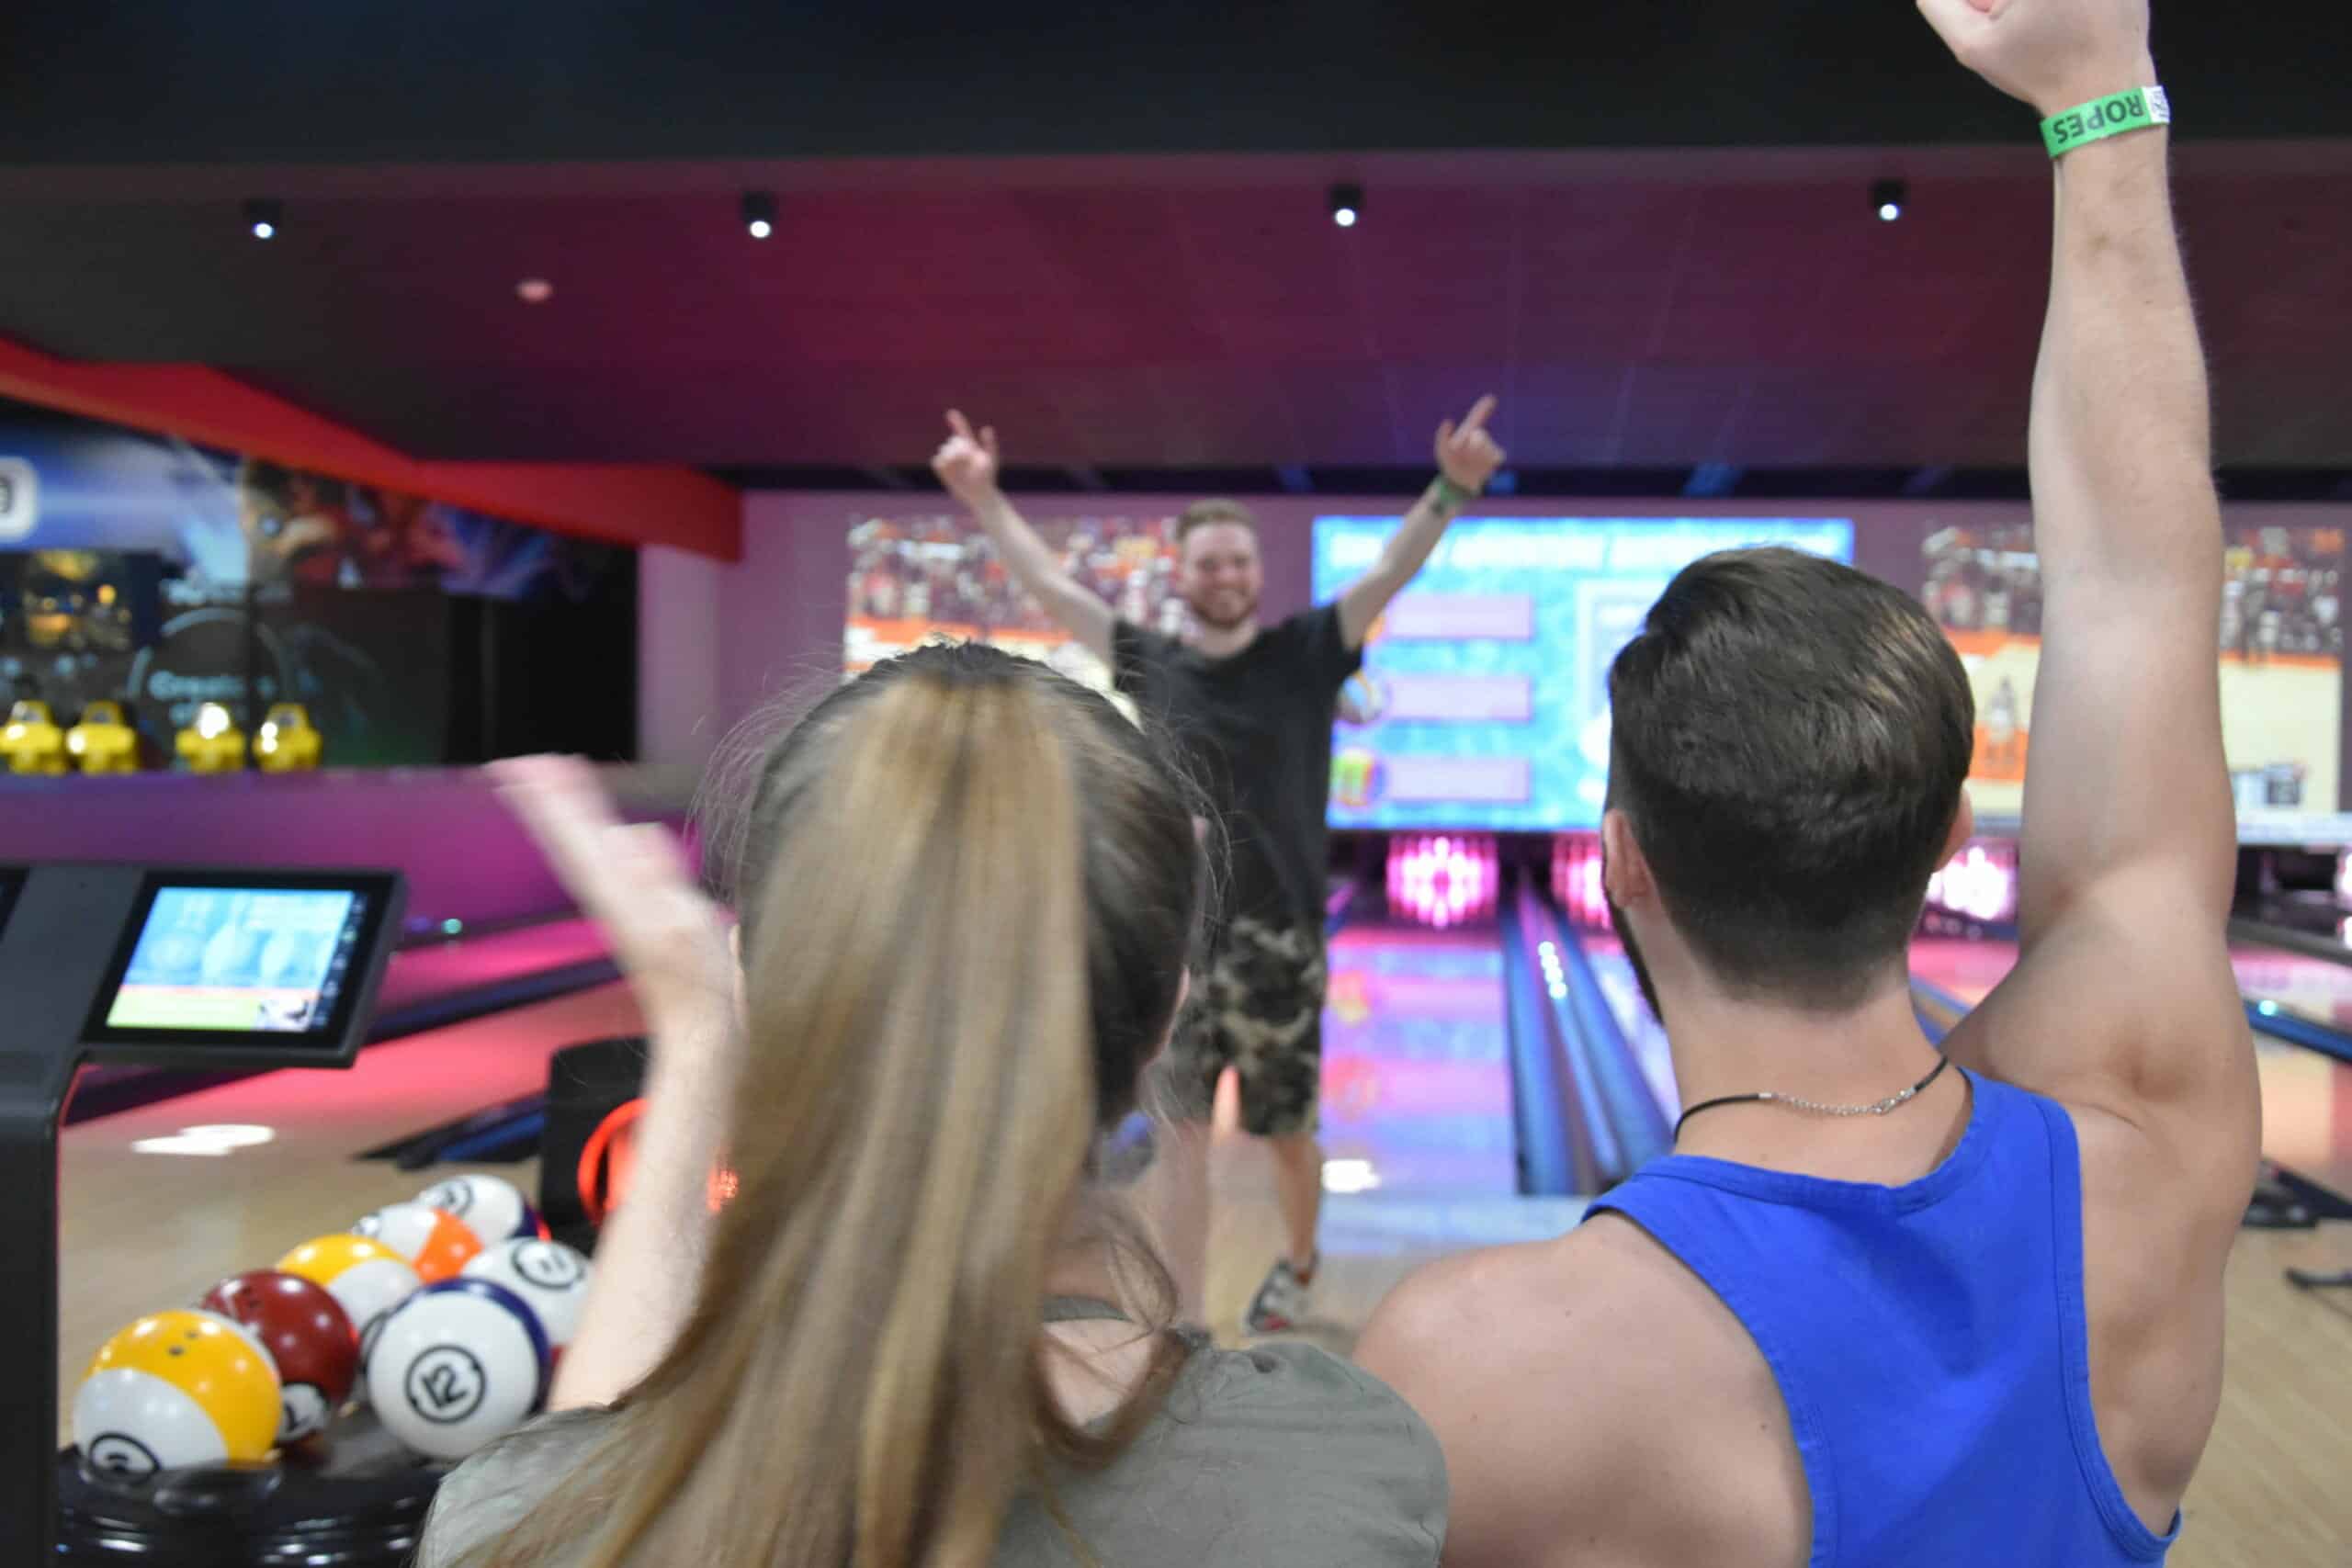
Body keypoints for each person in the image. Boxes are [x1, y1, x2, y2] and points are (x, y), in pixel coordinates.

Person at [1357, 1, 2256, 1563]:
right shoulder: (2143, 1138)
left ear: (1619, 861)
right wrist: (2104, 97)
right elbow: (2136, 583)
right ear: (1948, 836)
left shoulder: (1477, 1367)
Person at [415, 644, 1446, 1568]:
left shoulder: (508, 1520)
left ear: (759, 993)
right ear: (1167, 1007)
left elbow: (589, 1469)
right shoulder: (1344, 1466)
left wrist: (694, 1031)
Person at [931, 400, 1507, 1332]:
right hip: (1181, 942)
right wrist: (984, 498)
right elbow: (1049, 587)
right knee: (1182, 1139)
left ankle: (1301, 1268)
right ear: (1183, 575)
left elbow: (1391, 569)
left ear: (1256, 571)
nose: (1225, 575)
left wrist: (1450, 489)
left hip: (1284, 939)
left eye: (1238, 560)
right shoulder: (1151, 661)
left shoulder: (1307, 653)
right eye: (1208, 563)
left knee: (1287, 1134)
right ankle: (1188, 1312)